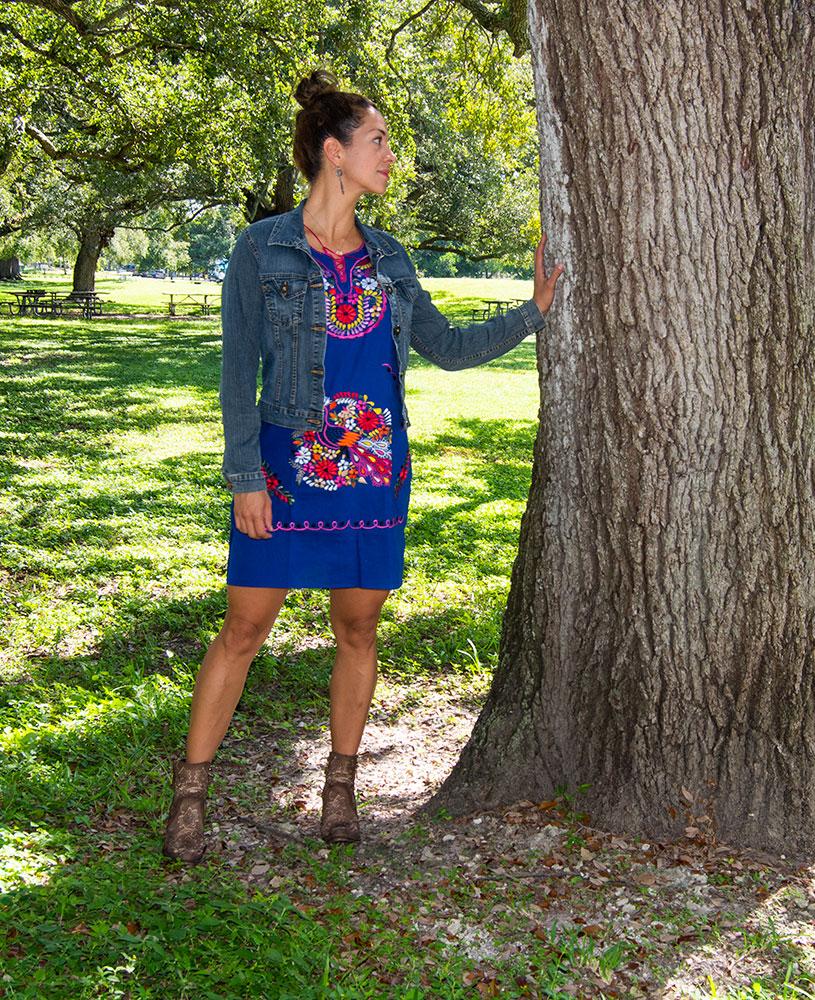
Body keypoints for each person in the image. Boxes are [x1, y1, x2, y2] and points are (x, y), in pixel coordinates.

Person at [162, 68, 565, 862]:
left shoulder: (388, 256)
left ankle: (339, 792)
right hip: (283, 472)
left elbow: (445, 348)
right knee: (244, 628)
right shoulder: (261, 248)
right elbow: (237, 371)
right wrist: (244, 477)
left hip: (374, 473)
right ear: (333, 152)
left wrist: (533, 312)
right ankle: (190, 795)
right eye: (378, 142)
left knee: (357, 627)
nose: (390, 157)